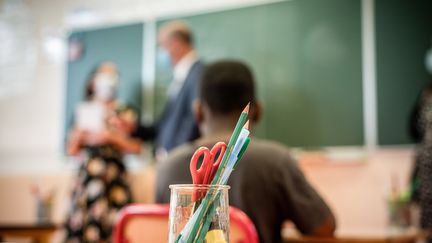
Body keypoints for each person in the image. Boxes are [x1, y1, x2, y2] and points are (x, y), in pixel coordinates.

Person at [156, 60, 336, 243]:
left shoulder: (167, 166)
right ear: (258, 112)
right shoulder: (275, 161)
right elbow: (324, 227)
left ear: (198, 111)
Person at [65, 62, 142, 243]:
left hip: (114, 177)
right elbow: (71, 150)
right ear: (93, 81)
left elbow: (137, 148)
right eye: (104, 75)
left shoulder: (125, 110)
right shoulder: (84, 110)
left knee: (116, 227)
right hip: (88, 178)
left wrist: (110, 137)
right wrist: (80, 136)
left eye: (113, 75)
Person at [139, 20, 203, 160]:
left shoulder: (198, 73)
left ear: (176, 42)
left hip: (182, 161)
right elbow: (166, 124)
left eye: (162, 45)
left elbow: (194, 120)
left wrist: (174, 155)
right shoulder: (180, 75)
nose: (161, 52)